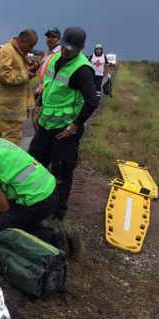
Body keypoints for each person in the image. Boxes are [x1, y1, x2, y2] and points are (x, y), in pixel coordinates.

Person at [29, 26, 98, 250]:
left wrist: (75, 126)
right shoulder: (56, 58)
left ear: (81, 48)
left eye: (71, 49)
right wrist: (38, 106)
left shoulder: (82, 70)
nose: (66, 51)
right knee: (32, 163)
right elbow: (47, 87)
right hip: (46, 126)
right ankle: (30, 202)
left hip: (64, 134)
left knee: (60, 173)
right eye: (64, 47)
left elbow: (91, 101)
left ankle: (56, 215)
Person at [0, 29, 38, 146]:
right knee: (11, 144)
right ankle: (6, 164)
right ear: (23, 41)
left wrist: (28, 69)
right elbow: (2, 75)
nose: (31, 49)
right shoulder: (7, 51)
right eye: (30, 46)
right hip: (10, 110)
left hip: (8, 107)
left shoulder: (16, 51)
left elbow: (14, 71)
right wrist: (25, 74)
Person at [34, 27, 62, 99]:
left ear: (59, 39)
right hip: (44, 89)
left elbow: (62, 78)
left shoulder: (61, 54)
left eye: (53, 37)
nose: (50, 39)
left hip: (53, 93)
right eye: (48, 36)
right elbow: (45, 73)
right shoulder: (47, 53)